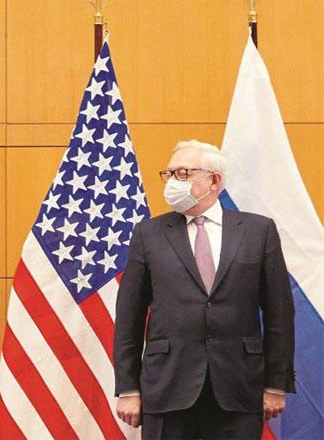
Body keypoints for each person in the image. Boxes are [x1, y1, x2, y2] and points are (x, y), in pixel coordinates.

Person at [113, 140, 295, 439]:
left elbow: (280, 313)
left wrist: (276, 383)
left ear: (214, 180)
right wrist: (128, 387)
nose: (173, 182)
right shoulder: (149, 234)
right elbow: (128, 317)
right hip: (167, 385)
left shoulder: (258, 231)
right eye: (169, 174)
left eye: (183, 173)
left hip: (239, 387)